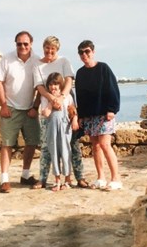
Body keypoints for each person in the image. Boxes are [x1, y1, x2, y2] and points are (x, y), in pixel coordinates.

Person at [32, 36, 87, 189]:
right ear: (43, 47)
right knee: (45, 146)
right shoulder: (37, 65)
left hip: (65, 109)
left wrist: (61, 98)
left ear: (57, 50)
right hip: (48, 110)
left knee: (72, 146)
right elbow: (40, 87)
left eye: (53, 49)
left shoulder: (64, 62)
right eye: (47, 48)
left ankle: (79, 177)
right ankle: (43, 178)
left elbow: (69, 81)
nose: (49, 51)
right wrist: (52, 99)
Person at [0, 30, 41, 193]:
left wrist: (35, 107)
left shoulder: (37, 61)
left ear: (31, 44)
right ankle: (4, 180)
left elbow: (40, 87)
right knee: (7, 144)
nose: (22, 46)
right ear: (15, 44)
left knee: (32, 142)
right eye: (19, 43)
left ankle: (25, 175)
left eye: (25, 43)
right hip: (11, 109)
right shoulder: (7, 59)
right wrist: (4, 105)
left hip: (29, 109)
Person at [74, 40, 122, 191]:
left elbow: (113, 89)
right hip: (89, 116)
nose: (84, 55)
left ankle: (116, 179)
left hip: (105, 113)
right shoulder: (80, 73)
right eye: (81, 52)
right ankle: (101, 177)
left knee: (105, 145)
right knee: (95, 146)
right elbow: (79, 96)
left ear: (93, 52)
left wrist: (112, 109)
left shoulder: (103, 68)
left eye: (87, 51)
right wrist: (80, 116)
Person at [40, 72, 79, 191]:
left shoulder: (67, 97)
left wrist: (74, 121)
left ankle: (67, 179)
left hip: (65, 129)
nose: (53, 87)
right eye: (51, 85)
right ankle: (57, 180)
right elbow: (45, 113)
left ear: (60, 85)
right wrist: (52, 102)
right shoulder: (45, 98)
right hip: (52, 130)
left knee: (66, 152)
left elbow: (73, 111)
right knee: (54, 153)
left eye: (56, 84)